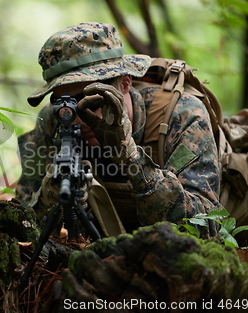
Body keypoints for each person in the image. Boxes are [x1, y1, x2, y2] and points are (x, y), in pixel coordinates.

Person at [16, 22, 220, 238]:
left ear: (125, 83)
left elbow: (204, 227)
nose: (77, 118)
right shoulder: (54, 120)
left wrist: (132, 159)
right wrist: (50, 199)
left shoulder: (181, 116)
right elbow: (21, 217)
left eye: (91, 102)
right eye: (64, 104)